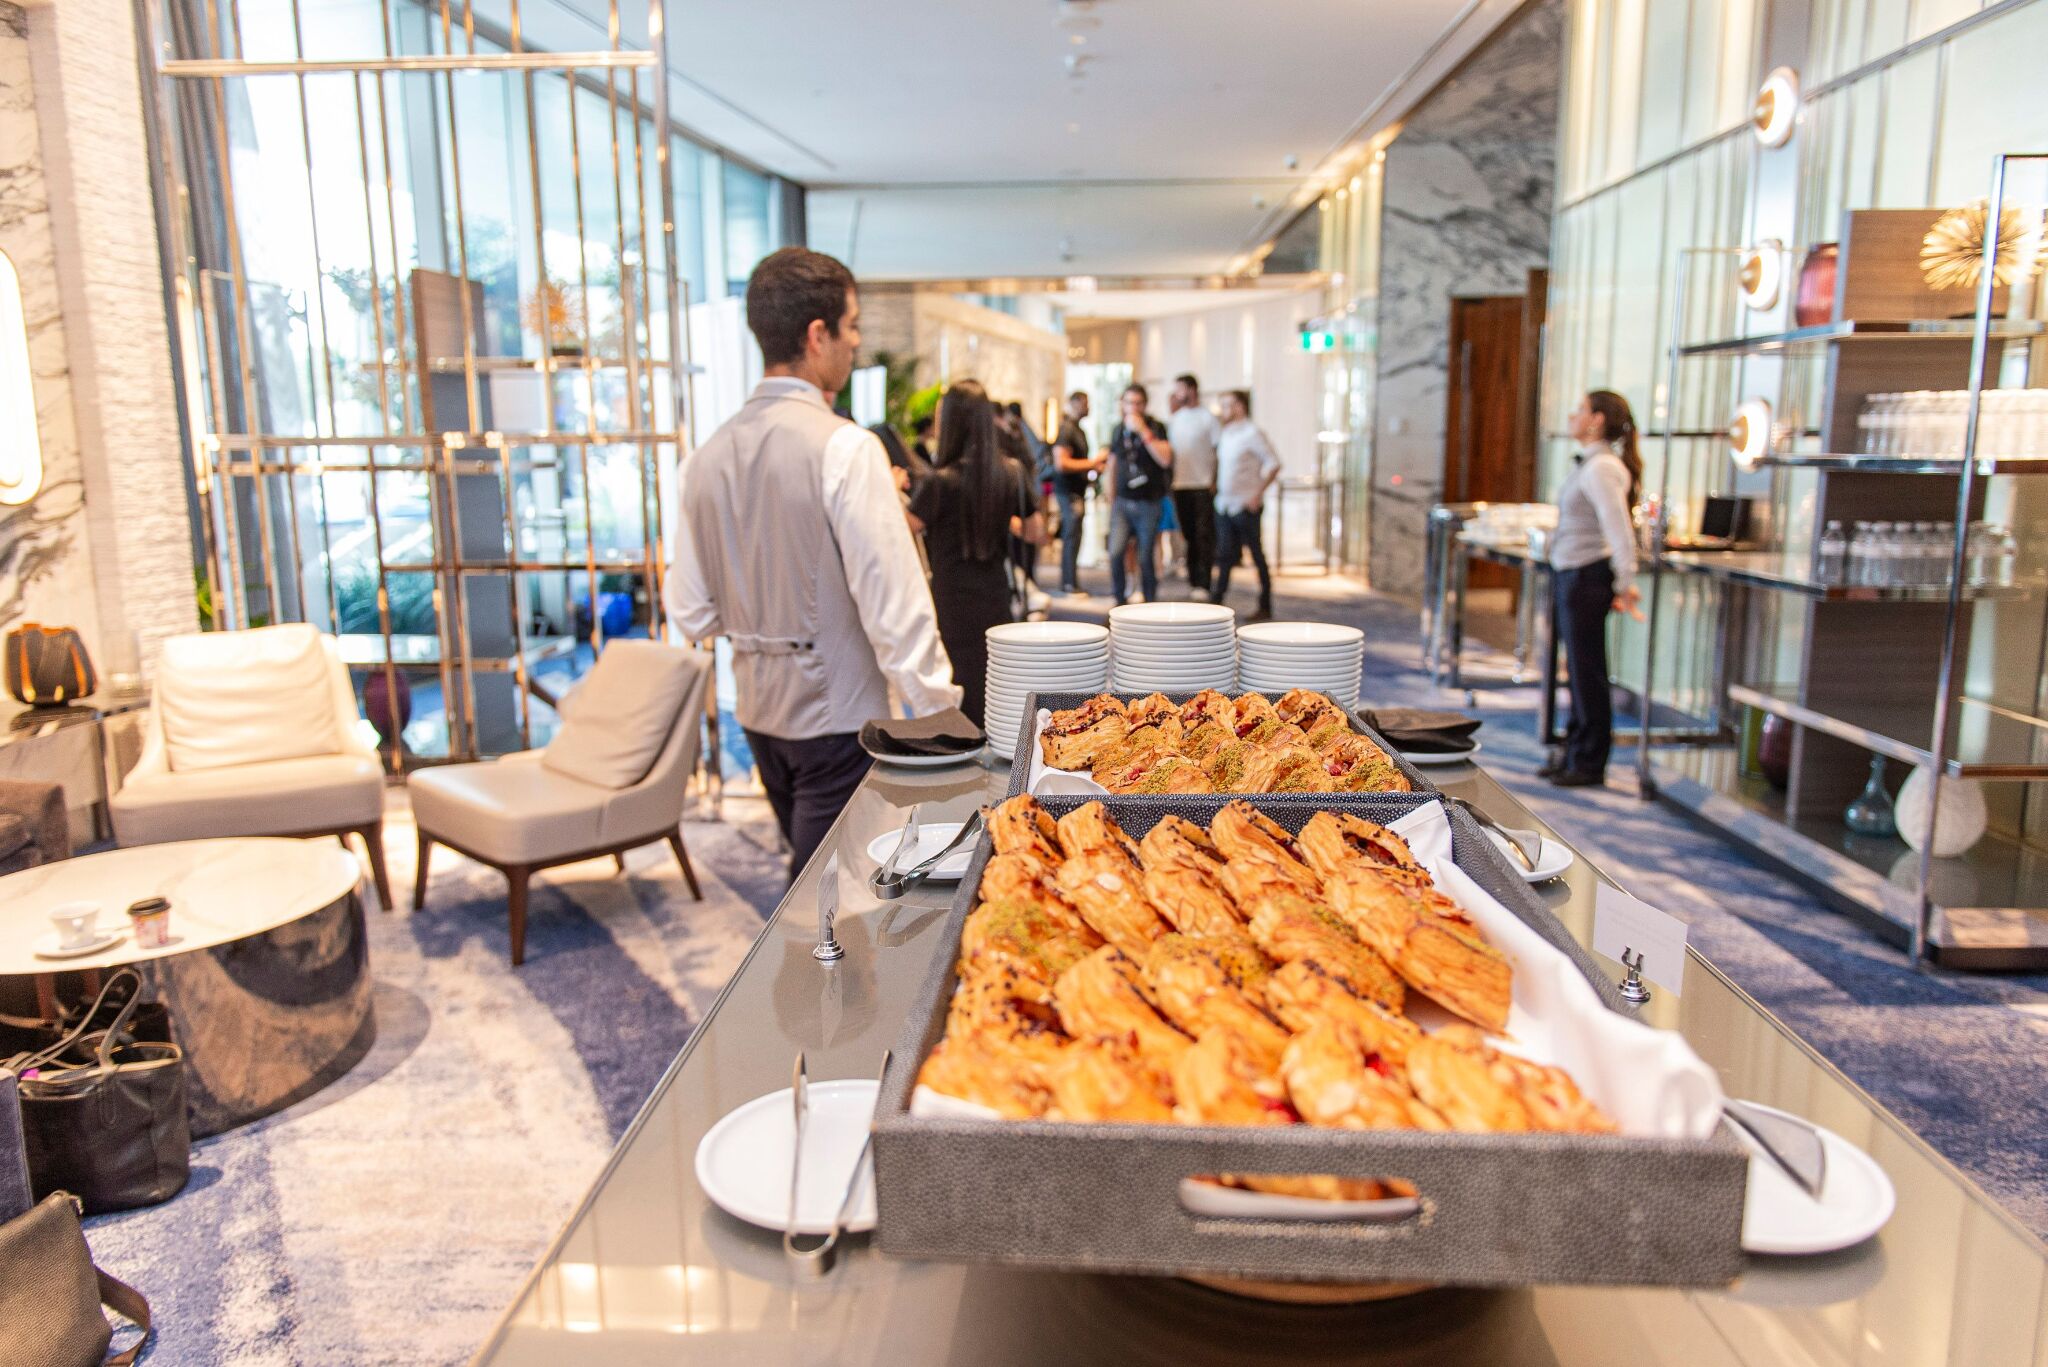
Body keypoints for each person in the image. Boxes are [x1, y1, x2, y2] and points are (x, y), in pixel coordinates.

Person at [666, 247, 960, 879]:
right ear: (816, 333)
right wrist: (940, 715)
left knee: (814, 880)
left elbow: (689, 609)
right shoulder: (845, 449)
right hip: (839, 719)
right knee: (829, 898)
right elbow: (894, 601)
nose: (856, 344)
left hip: (757, 714)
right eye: (851, 327)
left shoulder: (702, 458)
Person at [907, 380, 1037, 729]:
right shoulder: (1010, 473)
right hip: (995, 596)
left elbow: (904, 528)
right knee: (991, 686)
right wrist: (999, 518)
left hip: (950, 602)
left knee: (958, 687)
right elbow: (1035, 532)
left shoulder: (938, 483)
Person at [1544, 389, 1645, 789]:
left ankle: (1589, 762)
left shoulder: (1602, 467)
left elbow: (1619, 530)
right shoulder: (1591, 464)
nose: (1573, 415)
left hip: (1586, 577)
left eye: (1580, 410)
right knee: (1578, 670)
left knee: (1587, 672)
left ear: (1597, 420)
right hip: (1573, 573)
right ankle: (1574, 751)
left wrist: (1626, 581)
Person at [1212, 389, 1281, 622]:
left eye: (1227, 405)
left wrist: (1257, 494)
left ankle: (1265, 604)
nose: (1223, 410)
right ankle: (1216, 601)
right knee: (1224, 555)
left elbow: (1273, 464)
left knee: (1257, 555)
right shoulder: (1226, 433)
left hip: (1245, 505)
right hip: (1224, 504)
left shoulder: (1253, 433)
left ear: (1240, 406)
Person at [1105, 383, 1174, 606]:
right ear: (1122, 405)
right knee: (1115, 552)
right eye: (1129, 403)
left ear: (1145, 405)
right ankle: (1119, 601)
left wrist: (1143, 431)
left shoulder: (1156, 427)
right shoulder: (1118, 429)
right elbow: (1113, 464)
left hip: (1149, 502)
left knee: (1146, 556)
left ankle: (1150, 601)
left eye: (1138, 403)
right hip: (1123, 503)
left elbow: (1165, 459)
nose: (1133, 407)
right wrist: (1111, 497)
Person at [1166, 373, 1222, 599]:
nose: (1177, 394)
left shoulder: (1208, 418)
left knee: (1203, 535)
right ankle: (1192, 580)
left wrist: (1214, 481)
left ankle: (1204, 582)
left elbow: (1219, 452)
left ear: (1192, 390)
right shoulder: (1175, 419)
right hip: (1180, 485)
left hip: (1202, 484)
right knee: (1188, 535)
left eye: (1180, 389)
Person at [1051, 391, 1103, 594]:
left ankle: (1070, 581)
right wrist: (1093, 463)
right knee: (1071, 536)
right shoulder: (1066, 429)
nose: (1088, 407)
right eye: (1085, 403)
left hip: (1076, 491)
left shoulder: (1077, 430)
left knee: (1074, 535)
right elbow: (1061, 463)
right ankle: (1068, 583)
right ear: (1074, 404)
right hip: (1068, 492)